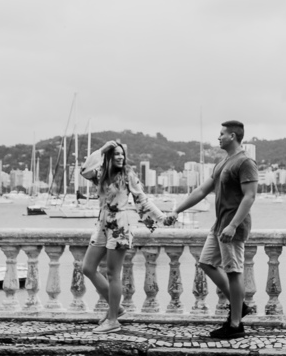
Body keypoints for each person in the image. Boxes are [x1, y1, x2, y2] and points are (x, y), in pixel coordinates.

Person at [164, 120, 257, 339]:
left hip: (233, 226)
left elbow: (250, 196)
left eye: (222, 133)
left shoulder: (245, 162)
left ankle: (235, 325)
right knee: (206, 262)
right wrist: (176, 211)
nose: (218, 137)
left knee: (234, 272)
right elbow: (201, 191)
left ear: (232, 136)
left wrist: (233, 225)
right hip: (220, 224)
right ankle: (239, 307)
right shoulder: (223, 162)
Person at [79, 140, 164, 333]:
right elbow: (84, 170)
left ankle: (113, 320)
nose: (120, 157)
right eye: (115, 153)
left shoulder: (128, 174)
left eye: (122, 154)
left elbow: (142, 198)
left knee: (112, 274)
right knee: (88, 268)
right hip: (102, 224)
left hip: (120, 225)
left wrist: (161, 217)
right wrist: (102, 149)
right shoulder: (100, 174)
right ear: (108, 156)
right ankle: (116, 307)